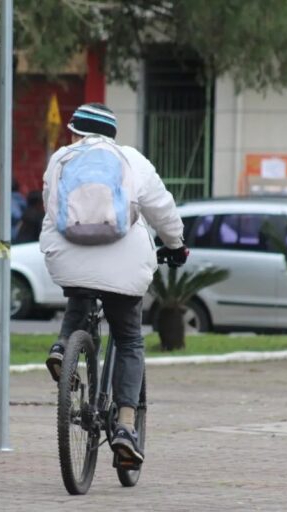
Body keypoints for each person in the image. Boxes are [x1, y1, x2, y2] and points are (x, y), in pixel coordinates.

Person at [39, 103, 188, 465]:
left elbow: (51, 206)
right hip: (123, 265)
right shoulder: (132, 160)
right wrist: (175, 245)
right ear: (112, 134)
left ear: (75, 131)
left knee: (81, 292)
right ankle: (125, 426)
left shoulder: (60, 158)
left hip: (68, 257)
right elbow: (163, 210)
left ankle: (63, 346)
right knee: (129, 338)